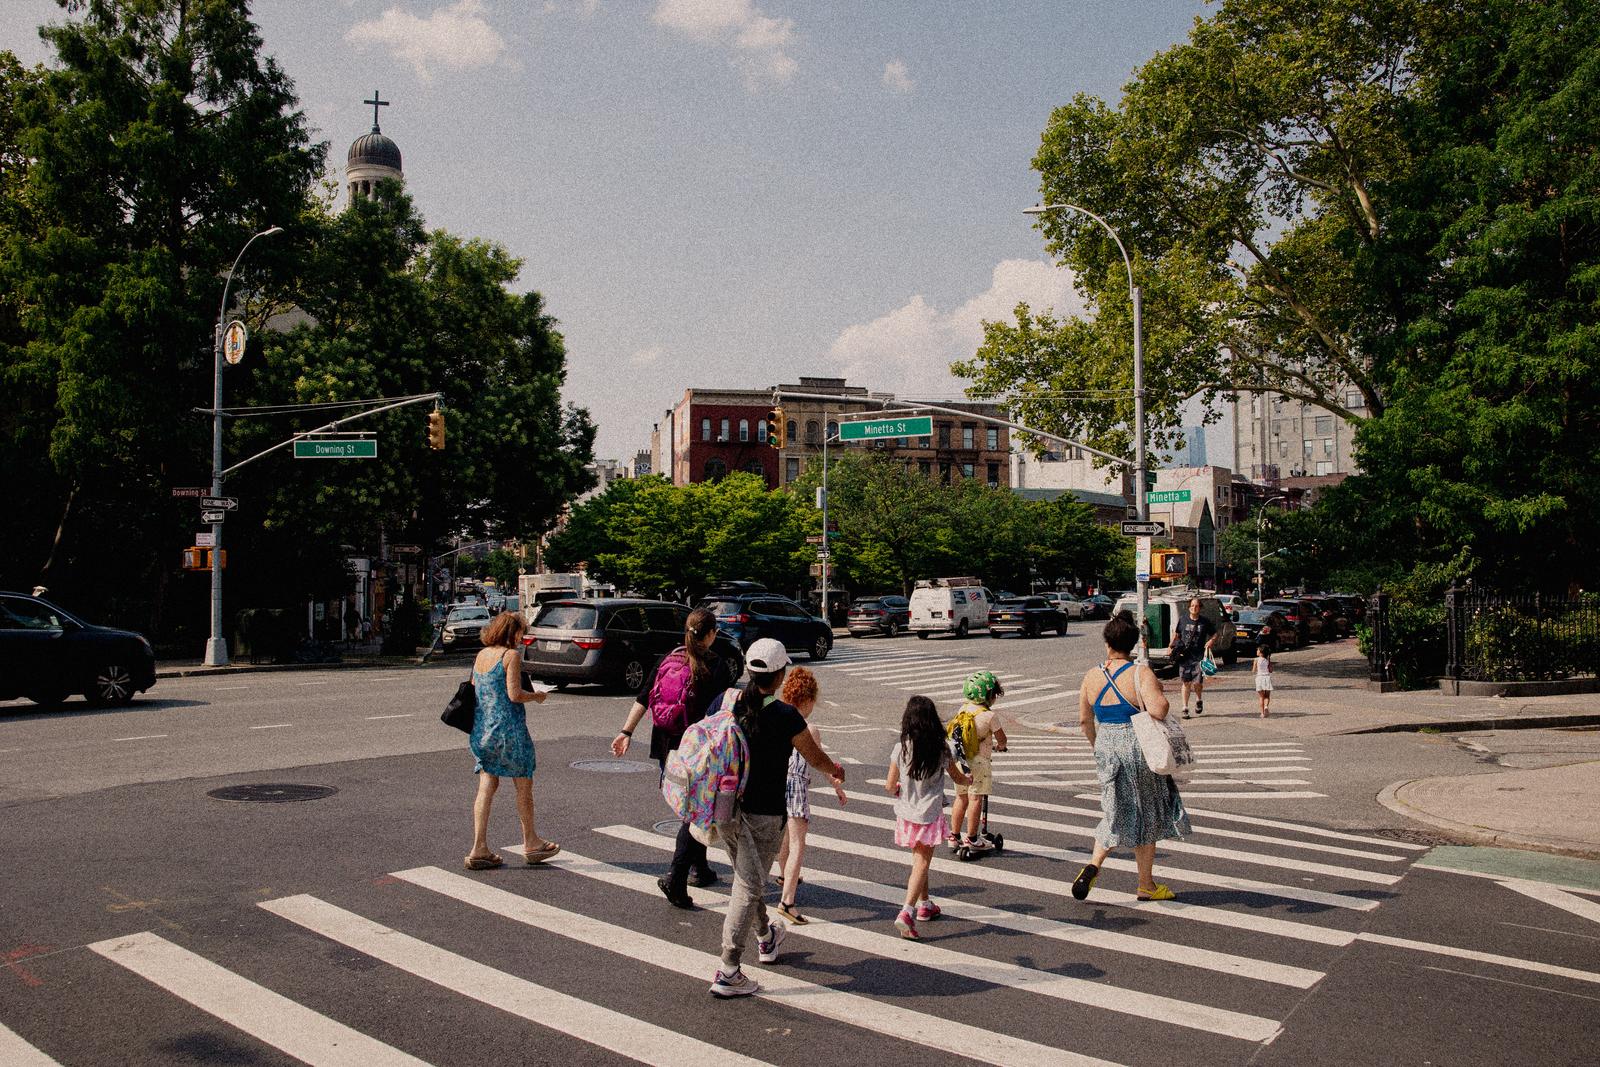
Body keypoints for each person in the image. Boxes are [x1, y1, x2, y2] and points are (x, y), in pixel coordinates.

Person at [708, 639, 846, 999]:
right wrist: (835, 769)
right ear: (780, 674)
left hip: (725, 808)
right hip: (764, 815)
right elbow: (814, 756)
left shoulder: (729, 700)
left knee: (746, 878)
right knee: (747, 885)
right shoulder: (785, 716)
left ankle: (766, 938)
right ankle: (728, 969)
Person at [611, 607, 742, 908]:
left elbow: (644, 698)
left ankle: (700, 868)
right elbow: (724, 714)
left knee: (691, 807)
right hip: (697, 749)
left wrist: (626, 732)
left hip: (666, 744)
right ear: (711, 634)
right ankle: (676, 877)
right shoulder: (715, 665)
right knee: (695, 812)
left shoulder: (668, 659)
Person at [1071, 612, 1192, 902]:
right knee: (1146, 811)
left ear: (1107, 643)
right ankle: (1145, 884)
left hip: (1106, 745)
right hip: (1137, 745)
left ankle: (1093, 864)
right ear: (1133, 644)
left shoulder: (1092, 675)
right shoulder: (1140, 673)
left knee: (1113, 809)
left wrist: (1097, 746)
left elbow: (1085, 721)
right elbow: (1159, 709)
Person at [466, 611, 557, 870]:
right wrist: (537, 696)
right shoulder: (511, 656)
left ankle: (478, 847)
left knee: (486, 785)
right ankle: (531, 842)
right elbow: (514, 694)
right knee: (523, 786)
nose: (522, 637)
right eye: (521, 632)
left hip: (483, 731)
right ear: (512, 632)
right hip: (510, 732)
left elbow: (475, 686)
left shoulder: (481, 655)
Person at [885, 695, 971, 939]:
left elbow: (890, 785)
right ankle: (907, 912)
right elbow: (957, 777)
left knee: (918, 861)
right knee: (922, 862)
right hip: (929, 813)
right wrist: (968, 780)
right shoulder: (941, 748)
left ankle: (925, 904)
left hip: (906, 813)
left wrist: (901, 788)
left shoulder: (900, 748)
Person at [771, 666, 846, 924]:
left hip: (776, 784)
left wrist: (834, 783)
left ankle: (784, 876)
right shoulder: (808, 728)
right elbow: (818, 761)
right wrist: (836, 781)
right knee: (797, 844)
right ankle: (787, 901)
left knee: (784, 841)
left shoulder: (777, 719)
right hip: (796, 788)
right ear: (808, 699)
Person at [946, 670, 1009, 854]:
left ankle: (954, 835)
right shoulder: (990, 716)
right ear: (989, 696)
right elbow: (1002, 739)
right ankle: (972, 838)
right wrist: (1000, 746)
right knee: (976, 798)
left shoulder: (963, 709)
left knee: (961, 798)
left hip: (960, 761)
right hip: (979, 763)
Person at [1170, 597, 1217, 719]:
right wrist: (1171, 646)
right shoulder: (1183, 620)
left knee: (1197, 683)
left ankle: (1198, 699)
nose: (1194, 608)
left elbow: (1215, 634)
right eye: (1192, 605)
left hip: (1199, 657)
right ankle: (1185, 708)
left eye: (1196, 606)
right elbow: (1177, 634)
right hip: (1184, 656)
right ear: (1189, 607)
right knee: (1186, 682)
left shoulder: (1204, 622)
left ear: (1200, 608)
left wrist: (1211, 641)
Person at [1254, 639, 1274, 718]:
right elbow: (1271, 670)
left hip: (1259, 678)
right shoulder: (1267, 660)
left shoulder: (1256, 660)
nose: (1257, 651)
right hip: (1267, 678)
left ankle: (1262, 713)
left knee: (1261, 697)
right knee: (1267, 696)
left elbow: (1253, 670)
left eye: (1258, 650)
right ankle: (1266, 706)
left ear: (1261, 652)